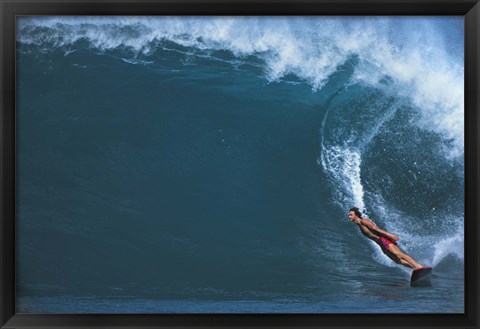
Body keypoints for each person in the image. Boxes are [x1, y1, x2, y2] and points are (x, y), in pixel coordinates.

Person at [348, 207, 426, 270]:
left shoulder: (364, 221)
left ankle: (418, 266)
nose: (349, 216)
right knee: (397, 260)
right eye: (349, 215)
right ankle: (415, 268)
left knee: (398, 254)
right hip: (381, 244)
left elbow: (376, 229)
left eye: (351, 215)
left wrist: (390, 235)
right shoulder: (359, 226)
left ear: (356, 215)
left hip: (383, 240)